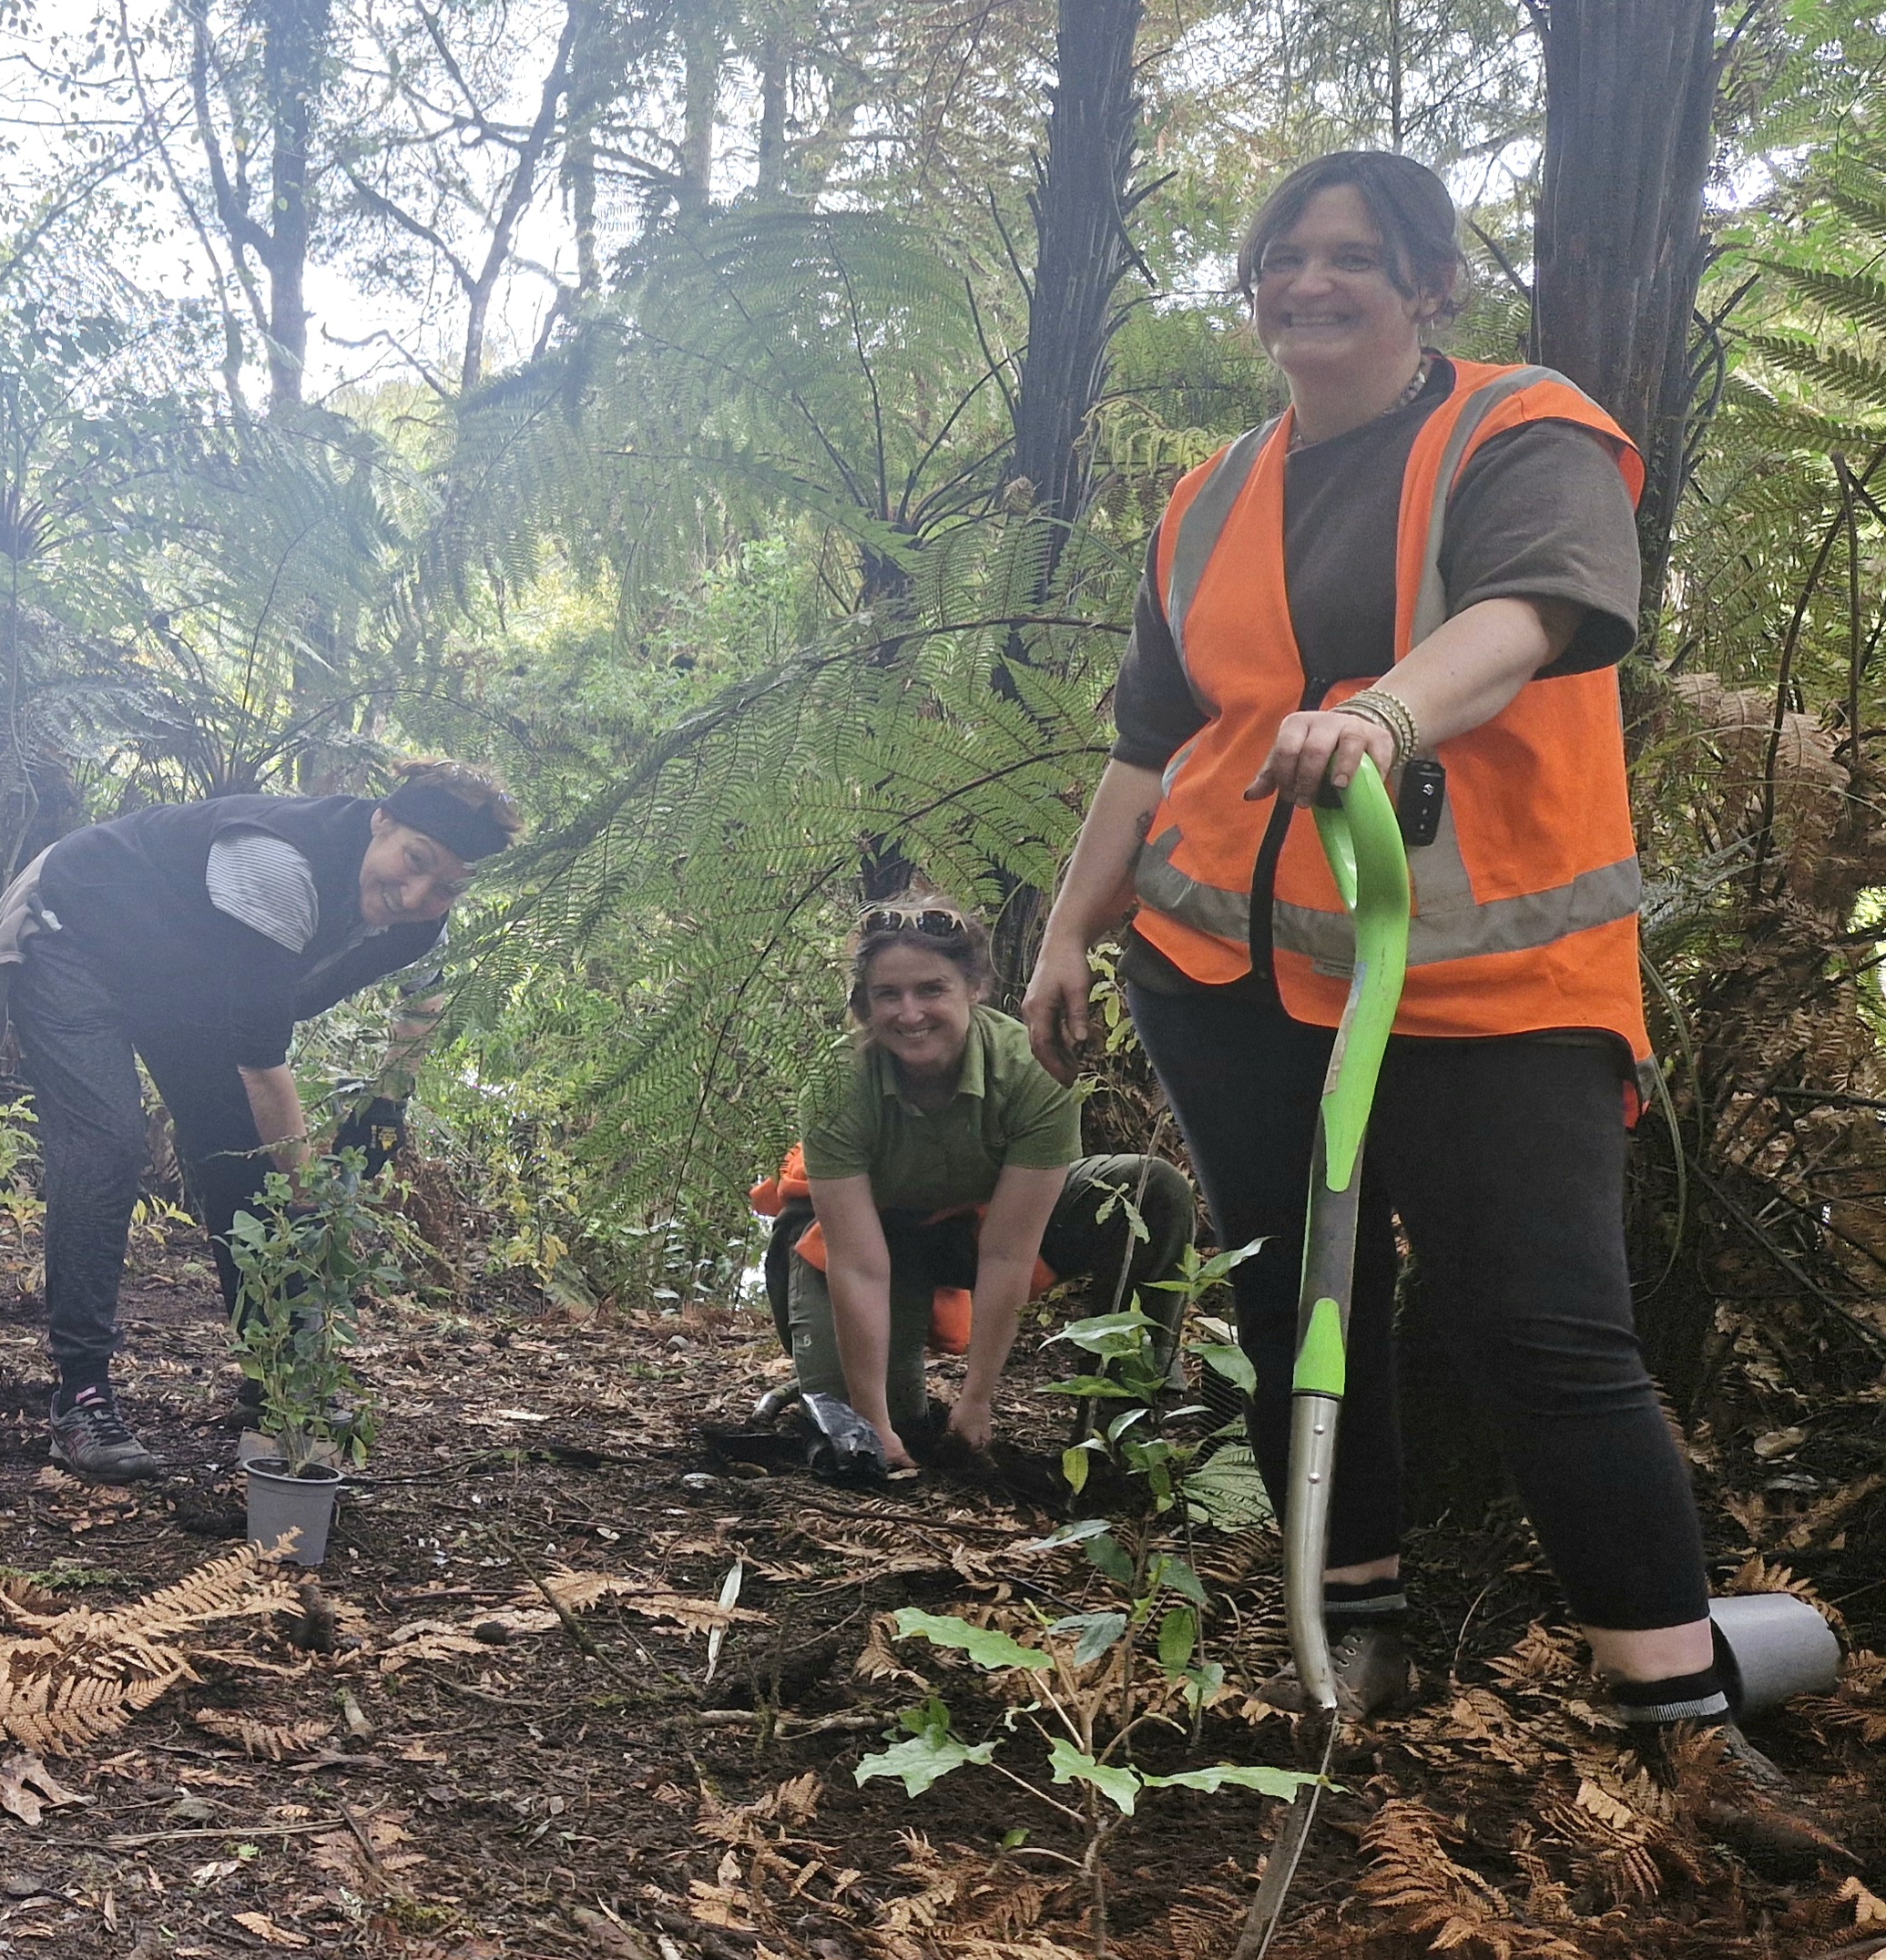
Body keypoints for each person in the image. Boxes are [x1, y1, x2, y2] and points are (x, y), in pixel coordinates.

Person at [1023, 150, 1842, 1868]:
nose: (1310, 285)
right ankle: (1356, 1627)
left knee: (1544, 1328)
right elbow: (1149, 741)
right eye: (1282, 259)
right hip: (1228, 973)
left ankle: (1683, 1718)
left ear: (1426, 286)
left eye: (1353, 258)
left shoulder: (1521, 431)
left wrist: (1391, 711)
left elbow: (1541, 609)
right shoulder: (1209, 495)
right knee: (1299, 1295)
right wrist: (1067, 932)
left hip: (1484, 974)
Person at [0, 761, 521, 1481]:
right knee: (107, 1149)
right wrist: (304, 1199)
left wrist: (381, 1115)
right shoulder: (276, 861)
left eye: (445, 885)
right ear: (380, 821)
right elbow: (262, 1062)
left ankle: (274, 1380)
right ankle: (81, 1399)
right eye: (412, 862)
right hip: (70, 933)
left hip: (182, 980)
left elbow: (417, 1017)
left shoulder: (421, 923)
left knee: (238, 1162)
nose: (416, 894)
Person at [760, 896, 1192, 1472]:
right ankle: (846, 1395)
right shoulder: (836, 1081)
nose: (910, 1013)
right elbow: (858, 1263)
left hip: (978, 1227)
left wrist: (977, 1400)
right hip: (872, 1239)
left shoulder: (1033, 1067)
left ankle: (1125, 1424)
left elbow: (1010, 1251)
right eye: (888, 995)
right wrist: (875, 1423)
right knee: (872, 1434)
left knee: (1149, 1189)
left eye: (931, 989)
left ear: (975, 988)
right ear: (865, 1006)